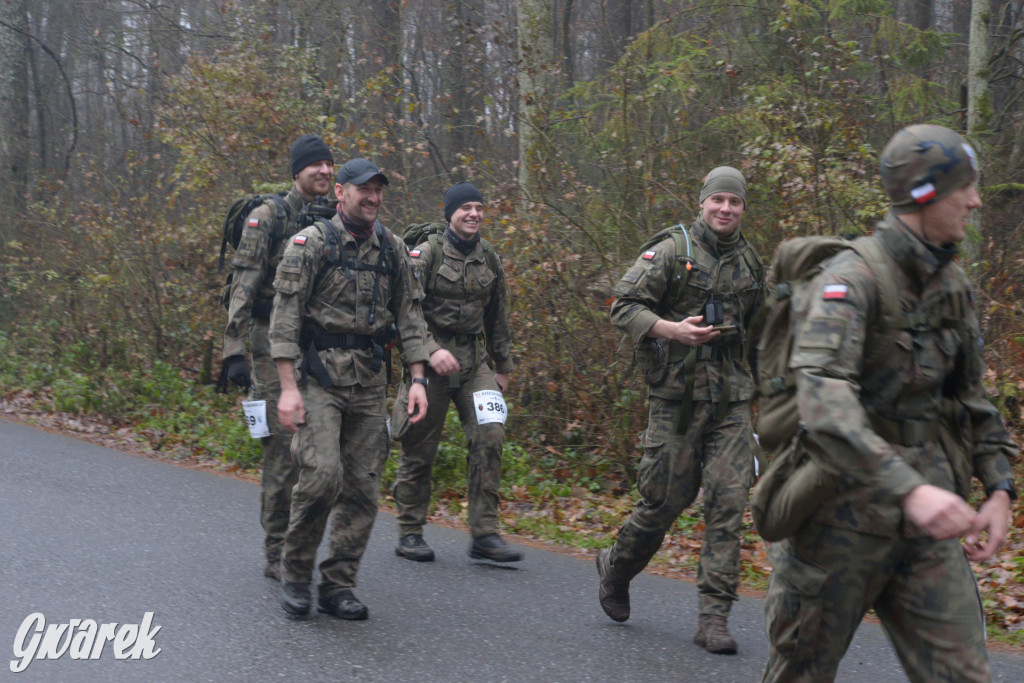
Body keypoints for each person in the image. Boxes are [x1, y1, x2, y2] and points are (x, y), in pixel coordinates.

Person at [761, 124, 1018, 682]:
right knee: (801, 672)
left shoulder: (953, 285)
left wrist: (999, 487)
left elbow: (970, 398)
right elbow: (823, 401)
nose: (975, 200)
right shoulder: (850, 281)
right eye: (963, 188)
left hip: (928, 528)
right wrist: (911, 489)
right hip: (839, 520)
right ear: (924, 194)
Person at [598, 167, 765, 654]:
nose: (726, 209)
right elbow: (622, 305)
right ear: (702, 203)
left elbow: (761, 333)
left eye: (735, 202)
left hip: (732, 401)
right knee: (663, 504)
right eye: (718, 200)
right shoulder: (672, 252)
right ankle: (617, 567)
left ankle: (714, 618)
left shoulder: (751, 263)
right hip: (677, 399)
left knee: (728, 506)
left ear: (743, 208)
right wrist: (672, 330)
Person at [268, 158, 431, 620]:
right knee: (322, 477)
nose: (373, 198)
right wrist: (286, 388)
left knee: (362, 487)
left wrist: (416, 380)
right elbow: (285, 320)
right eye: (364, 190)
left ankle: (338, 583)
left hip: (369, 380)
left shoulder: (393, 249)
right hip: (317, 378)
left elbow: (412, 319)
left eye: (379, 190)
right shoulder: (312, 244)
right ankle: (296, 573)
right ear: (341, 193)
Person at [222, 134, 335, 581]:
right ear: (297, 171)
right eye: (315, 165)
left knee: (319, 448)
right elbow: (243, 283)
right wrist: (234, 348)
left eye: (329, 165)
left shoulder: (333, 218)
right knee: (281, 448)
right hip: (270, 341)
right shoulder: (267, 216)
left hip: (317, 345)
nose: (324, 171)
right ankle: (276, 549)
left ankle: (303, 541)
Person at [391, 182, 520, 563]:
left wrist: (504, 366)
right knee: (419, 445)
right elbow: (406, 312)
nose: (474, 214)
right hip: (429, 360)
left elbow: (498, 316)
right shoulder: (426, 253)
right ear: (449, 212)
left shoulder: (489, 257)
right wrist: (430, 351)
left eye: (479, 208)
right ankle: (410, 531)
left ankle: (485, 533)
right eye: (465, 207)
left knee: (490, 435)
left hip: (474, 362)